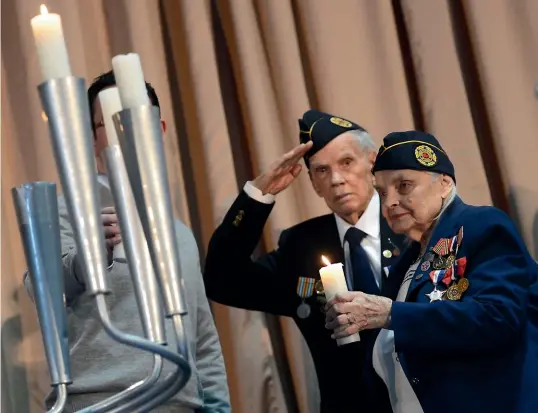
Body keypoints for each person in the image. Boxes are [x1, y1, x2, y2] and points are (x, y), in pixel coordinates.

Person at [24, 71, 231, 413]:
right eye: (110, 120)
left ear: (159, 130)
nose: (125, 129)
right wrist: (86, 258)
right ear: (91, 139)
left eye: (134, 116)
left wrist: (218, 408)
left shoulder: (177, 231)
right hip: (101, 404)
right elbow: (39, 288)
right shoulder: (64, 210)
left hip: (181, 405)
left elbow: (202, 339)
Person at [203, 110, 406, 412]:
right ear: (313, 183)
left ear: (372, 163)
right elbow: (223, 281)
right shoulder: (302, 247)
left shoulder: (415, 226)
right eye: (322, 171)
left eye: (347, 163)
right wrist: (258, 196)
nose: (337, 179)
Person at [324, 130, 538, 413]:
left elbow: (498, 317)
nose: (389, 203)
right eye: (382, 192)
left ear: (445, 184)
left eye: (404, 186)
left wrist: (389, 313)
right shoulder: (405, 264)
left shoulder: (481, 225)